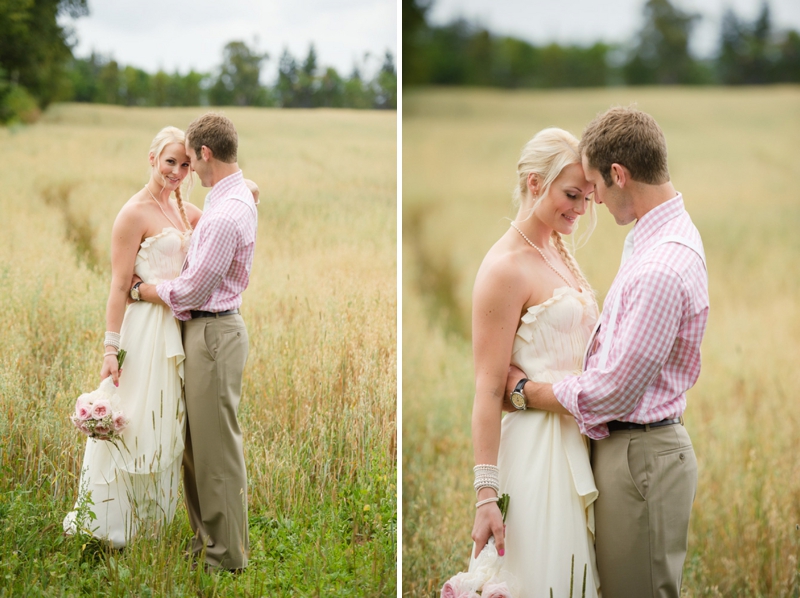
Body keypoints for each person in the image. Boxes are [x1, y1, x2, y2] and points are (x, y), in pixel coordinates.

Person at [505, 107, 709, 597]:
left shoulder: (660, 265)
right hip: (628, 451)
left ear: (619, 174)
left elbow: (613, 391)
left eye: (593, 185)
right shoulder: (656, 237)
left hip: (641, 455)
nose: (591, 199)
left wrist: (524, 391)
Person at [469, 128, 601, 596]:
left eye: (587, 197)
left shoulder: (559, 251)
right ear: (533, 182)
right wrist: (486, 494)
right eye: (571, 195)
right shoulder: (505, 266)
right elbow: (487, 389)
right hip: (537, 455)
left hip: (582, 443)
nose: (581, 210)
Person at [64, 126, 202, 547]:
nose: (176, 171)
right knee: (135, 421)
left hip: (181, 332)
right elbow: (119, 286)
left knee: (167, 426)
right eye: (169, 162)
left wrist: (247, 190)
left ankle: (150, 528)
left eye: (185, 164)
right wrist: (110, 348)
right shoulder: (133, 214)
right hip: (142, 333)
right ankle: (110, 525)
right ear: (152, 159)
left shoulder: (191, 214)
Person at [133, 113, 257, 572]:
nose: (188, 172)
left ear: (205, 154)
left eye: (191, 162)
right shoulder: (235, 194)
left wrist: (141, 291)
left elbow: (190, 292)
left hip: (213, 332)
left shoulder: (226, 213)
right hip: (202, 331)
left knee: (216, 450)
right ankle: (206, 538)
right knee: (194, 445)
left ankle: (226, 558)